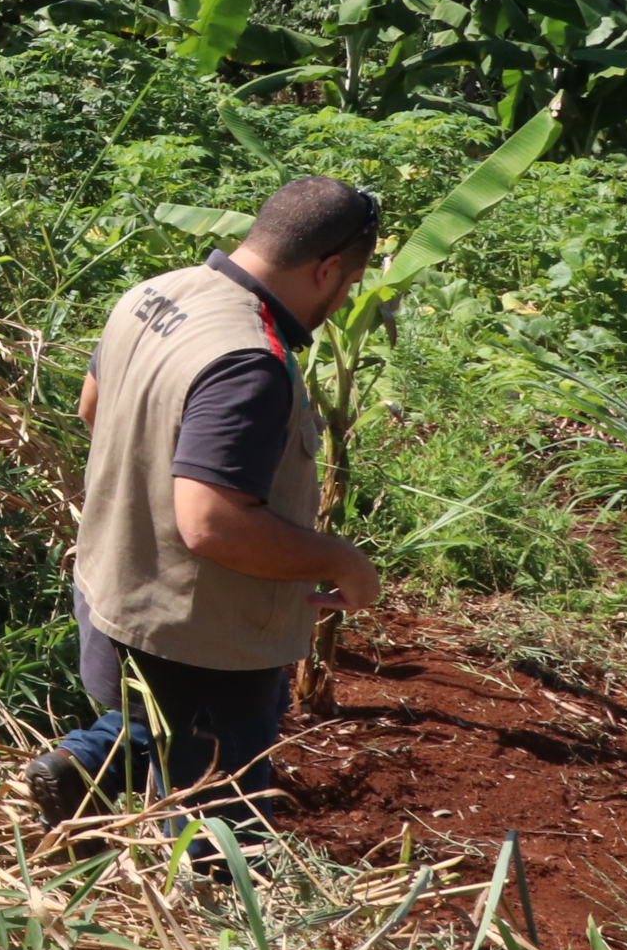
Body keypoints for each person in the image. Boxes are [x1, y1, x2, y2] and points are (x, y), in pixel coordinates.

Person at [27, 177, 385, 841]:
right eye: (348, 285)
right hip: (199, 636)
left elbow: (92, 407)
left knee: (163, 724)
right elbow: (212, 523)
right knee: (220, 831)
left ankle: (85, 766)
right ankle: (211, 895)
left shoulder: (157, 292)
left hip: (114, 589)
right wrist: (343, 560)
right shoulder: (252, 359)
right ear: (327, 269)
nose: (340, 302)